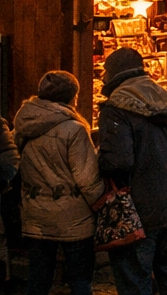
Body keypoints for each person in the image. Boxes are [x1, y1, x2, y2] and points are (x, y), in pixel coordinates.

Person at [95, 47, 167, 295]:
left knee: (135, 282)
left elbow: (117, 162)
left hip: (137, 209)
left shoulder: (116, 108)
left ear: (113, 74)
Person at [13, 71, 103, 295]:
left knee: (38, 277)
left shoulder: (23, 122)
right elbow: (87, 178)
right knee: (80, 279)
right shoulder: (74, 129)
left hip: (36, 214)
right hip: (74, 218)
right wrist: (102, 203)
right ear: (73, 97)